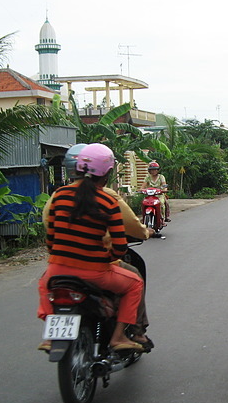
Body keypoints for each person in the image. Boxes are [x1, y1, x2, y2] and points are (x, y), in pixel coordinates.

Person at [42, 144, 154, 348]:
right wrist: (106, 257)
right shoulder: (108, 199)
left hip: (58, 268)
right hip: (95, 271)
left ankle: (51, 337)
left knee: (44, 285)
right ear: (108, 173)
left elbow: (50, 238)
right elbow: (120, 247)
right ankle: (120, 336)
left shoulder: (58, 195)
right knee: (135, 282)